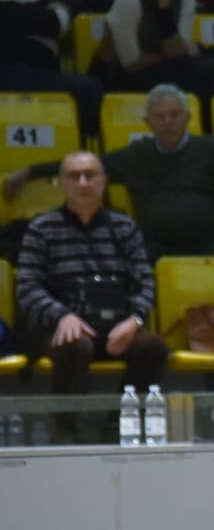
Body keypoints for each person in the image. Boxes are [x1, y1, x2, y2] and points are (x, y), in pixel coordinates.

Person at [5, 84, 214, 265]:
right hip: (154, 249)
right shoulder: (136, 155)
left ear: (187, 118)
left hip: (212, 246)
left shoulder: (211, 149)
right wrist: (29, 172)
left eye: (174, 115)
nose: (168, 122)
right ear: (148, 123)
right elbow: (82, 165)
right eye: (160, 117)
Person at [14, 150, 168, 400]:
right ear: (62, 183)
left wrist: (135, 321)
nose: (82, 183)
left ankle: (122, 421)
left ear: (104, 181)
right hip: (64, 327)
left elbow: (145, 283)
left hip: (119, 325)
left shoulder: (125, 226)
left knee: (153, 348)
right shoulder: (41, 228)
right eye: (74, 176)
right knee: (74, 346)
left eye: (90, 175)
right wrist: (62, 316)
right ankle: (66, 427)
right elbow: (28, 287)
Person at [90, 0, 214, 105]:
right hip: (116, 78)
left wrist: (164, 7)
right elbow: (131, 64)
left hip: (163, 71)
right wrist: (169, 54)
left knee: (205, 72)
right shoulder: (129, 0)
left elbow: (178, 53)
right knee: (194, 70)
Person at [0, 0, 104, 137]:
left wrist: (7, 16)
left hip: (41, 75)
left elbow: (58, 24)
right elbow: (49, 20)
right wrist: (40, 16)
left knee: (89, 90)